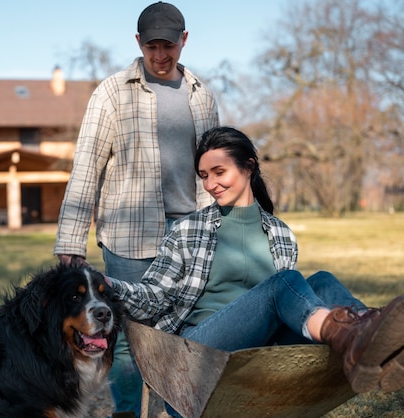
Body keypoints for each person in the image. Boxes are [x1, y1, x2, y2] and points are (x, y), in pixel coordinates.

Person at [106, 126, 404, 416]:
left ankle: (376, 341)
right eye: (204, 176)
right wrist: (106, 285)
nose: (210, 184)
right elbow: (152, 297)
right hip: (200, 355)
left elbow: (293, 309)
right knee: (283, 284)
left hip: (261, 356)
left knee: (323, 282)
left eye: (219, 172)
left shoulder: (281, 235)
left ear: (248, 167)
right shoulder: (188, 230)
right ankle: (358, 341)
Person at [54, 2, 219, 416]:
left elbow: (215, 167)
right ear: (138, 43)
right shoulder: (112, 92)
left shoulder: (201, 95)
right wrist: (71, 239)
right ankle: (130, 412)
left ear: (184, 41)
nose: (160, 56)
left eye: (168, 46)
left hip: (190, 233)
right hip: (130, 237)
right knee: (129, 336)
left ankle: (177, 410)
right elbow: (87, 164)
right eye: (152, 47)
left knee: (186, 331)